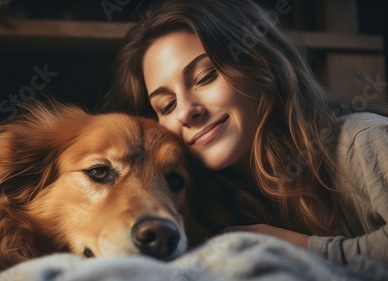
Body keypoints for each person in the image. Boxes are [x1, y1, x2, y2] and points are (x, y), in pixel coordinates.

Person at [95, 0, 388, 267]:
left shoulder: (361, 140)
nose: (186, 112)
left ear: (261, 64)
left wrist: (302, 248)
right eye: (167, 105)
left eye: (205, 77)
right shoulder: (208, 202)